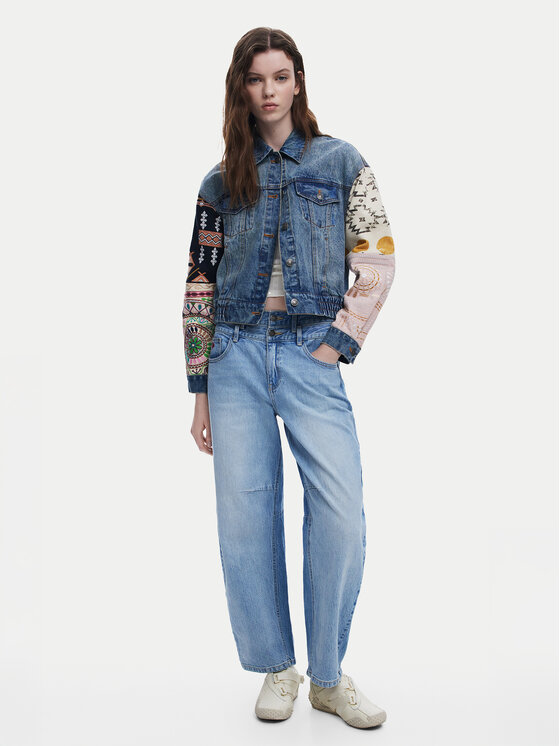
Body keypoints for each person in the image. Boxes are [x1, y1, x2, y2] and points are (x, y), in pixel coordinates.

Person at [182, 27, 395, 729]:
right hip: (234, 358)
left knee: (341, 514)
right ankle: (278, 667)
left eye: (280, 76)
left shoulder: (341, 162)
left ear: (298, 81)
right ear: (240, 89)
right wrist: (199, 388)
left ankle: (328, 678)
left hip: (310, 353)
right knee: (245, 518)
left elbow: (378, 257)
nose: (268, 90)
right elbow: (200, 284)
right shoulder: (220, 181)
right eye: (255, 79)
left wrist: (338, 342)